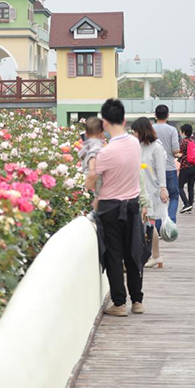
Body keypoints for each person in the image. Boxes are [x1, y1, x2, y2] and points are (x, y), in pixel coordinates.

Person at [87, 99, 145, 317]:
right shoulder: (134, 144)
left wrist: (92, 161)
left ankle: (119, 304)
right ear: (124, 120)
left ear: (104, 124)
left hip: (110, 207)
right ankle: (137, 301)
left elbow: (92, 181)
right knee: (133, 254)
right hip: (132, 206)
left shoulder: (105, 153)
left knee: (114, 254)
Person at [131, 117, 169, 268]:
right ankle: (153, 255)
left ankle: (155, 255)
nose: (133, 134)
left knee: (149, 223)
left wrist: (162, 188)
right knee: (145, 223)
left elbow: (161, 170)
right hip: (138, 188)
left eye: (135, 132)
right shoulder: (137, 146)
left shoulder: (156, 147)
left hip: (151, 189)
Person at [152, 105, 180, 224]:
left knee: (158, 198)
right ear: (168, 116)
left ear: (155, 115)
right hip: (169, 167)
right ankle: (171, 221)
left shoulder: (150, 129)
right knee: (173, 196)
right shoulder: (172, 130)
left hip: (153, 169)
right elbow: (175, 150)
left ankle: (158, 227)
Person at [79, 117, 105, 223]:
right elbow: (93, 156)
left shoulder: (88, 144)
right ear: (102, 134)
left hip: (89, 173)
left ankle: (95, 212)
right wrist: (92, 171)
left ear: (86, 134)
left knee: (98, 194)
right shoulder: (97, 145)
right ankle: (95, 212)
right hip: (95, 173)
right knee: (100, 193)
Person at [177, 124, 195, 214]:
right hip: (194, 166)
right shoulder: (193, 141)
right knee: (190, 187)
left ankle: (186, 203)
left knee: (179, 186)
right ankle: (190, 205)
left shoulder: (183, 142)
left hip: (185, 167)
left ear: (184, 132)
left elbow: (178, 152)